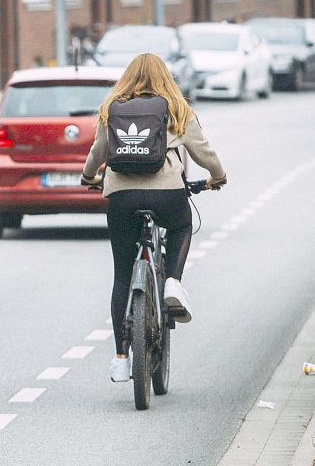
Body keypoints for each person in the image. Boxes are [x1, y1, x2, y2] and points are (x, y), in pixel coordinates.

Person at [81, 53, 227, 383]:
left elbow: (98, 152)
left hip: (122, 198)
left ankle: (121, 357)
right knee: (181, 225)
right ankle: (173, 280)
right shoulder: (176, 108)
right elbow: (203, 150)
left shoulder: (111, 108)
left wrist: (89, 176)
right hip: (167, 195)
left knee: (122, 275)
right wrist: (217, 176)